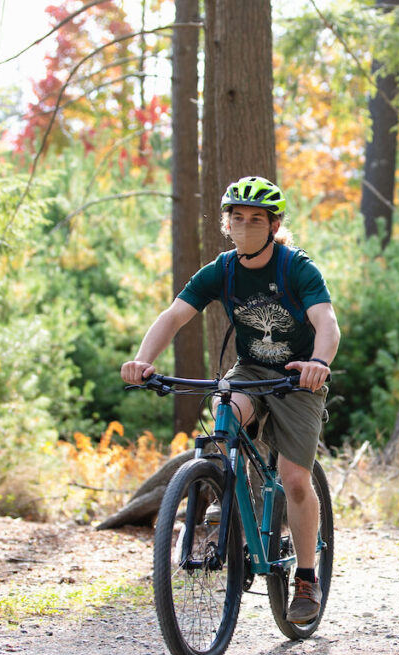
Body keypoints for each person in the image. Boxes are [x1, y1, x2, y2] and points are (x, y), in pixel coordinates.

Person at [121, 176, 340, 624]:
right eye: (236, 218)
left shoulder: (296, 267)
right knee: (224, 422)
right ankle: (226, 496)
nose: (244, 226)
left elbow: (327, 323)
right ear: (227, 224)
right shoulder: (222, 270)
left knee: (295, 479)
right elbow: (174, 315)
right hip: (251, 372)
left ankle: (305, 579)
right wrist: (142, 360)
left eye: (255, 219)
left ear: (273, 225)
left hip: (299, 377)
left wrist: (318, 362)